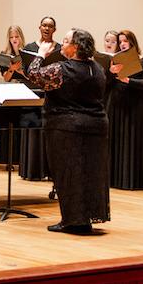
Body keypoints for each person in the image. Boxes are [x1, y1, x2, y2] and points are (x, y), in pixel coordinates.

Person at [27, 28, 109, 235]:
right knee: (91, 173)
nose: (61, 45)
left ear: (76, 47)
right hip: (96, 126)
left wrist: (40, 55)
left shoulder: (62, 69)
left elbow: (34, 75)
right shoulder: (98, 68)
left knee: (68, 173)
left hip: (67, 127)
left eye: (65, 41)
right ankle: (86, 217)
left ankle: (72, 220)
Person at [107, 30, 143, 190]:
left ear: (132, 41)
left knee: (134, 141)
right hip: (118, 106)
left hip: (136, 106)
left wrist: (128, 80)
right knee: (118, 140)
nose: (122, 44)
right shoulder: (115, 62)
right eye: (120, 41)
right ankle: (115, 179)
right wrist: (110, 72)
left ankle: (134, 180)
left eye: (125, 40)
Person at [19, 16, 61, 181]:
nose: (46, 28)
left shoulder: (58, 48)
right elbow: (25, 71)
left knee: (48, 132)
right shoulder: (30, 47)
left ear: (54, 29)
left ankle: (50, 171)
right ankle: (32, 170)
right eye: (44, 25)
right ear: (39, 27)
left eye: (50, 26)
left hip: (51, 94)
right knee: (32, 130)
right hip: (32, 92)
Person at [0, 25, 27, 166]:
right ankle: (7, 159)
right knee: (9, 124)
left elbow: (29, 76)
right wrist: (12, 69)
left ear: (21, 37)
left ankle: (21, 158)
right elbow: (6, 78)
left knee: (21, 124)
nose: (14, 40)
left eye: (16, 37)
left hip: (23, 90)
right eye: (11, 37)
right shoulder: (5, 54)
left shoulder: (26, 53)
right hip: (10, 89)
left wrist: (19, 70)